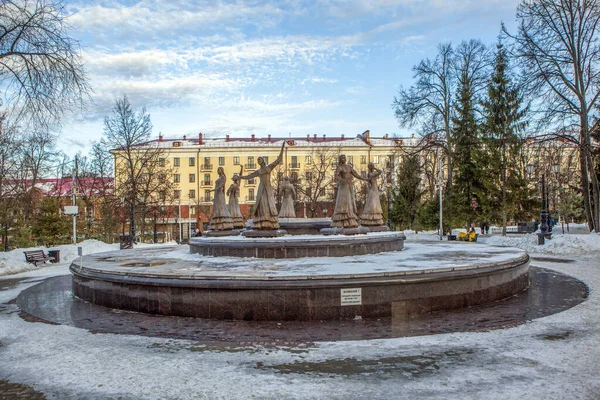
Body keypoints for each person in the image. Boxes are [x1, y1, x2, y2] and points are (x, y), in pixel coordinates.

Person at [239, 141, 286, 230]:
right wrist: (240, 177)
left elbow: (279, 159)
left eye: (259, 159)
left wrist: (282, 148)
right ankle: (261, 221)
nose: (258, 161)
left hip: (268, 188)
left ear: (263, 160)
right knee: (261, 203)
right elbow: (248, 176)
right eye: (258, 160)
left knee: (269, 203)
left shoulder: (269, 167)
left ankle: (270, 221)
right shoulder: (258, 171)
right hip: (261, 188)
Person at [331, 154, 367, 228]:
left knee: (350, 202)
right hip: (343, 188)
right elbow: (336, 176)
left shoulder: (349, 167)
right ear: (340, 159)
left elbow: (355, 174)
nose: (344, 159)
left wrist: (364, 178)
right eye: (342, 158)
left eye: (344, 158)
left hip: (349, 187)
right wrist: (342, 180)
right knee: (343, 203)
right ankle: (341, 220)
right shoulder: (339, 167)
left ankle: (350, 219)